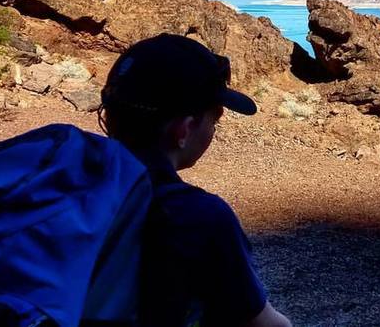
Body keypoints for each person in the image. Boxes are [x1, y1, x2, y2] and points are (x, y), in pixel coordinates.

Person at [98, 33, 291, 327]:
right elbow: (265, 324)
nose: (213, 129)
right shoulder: (197, 217)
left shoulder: (56, 184)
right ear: (184, 130)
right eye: (214, 120)